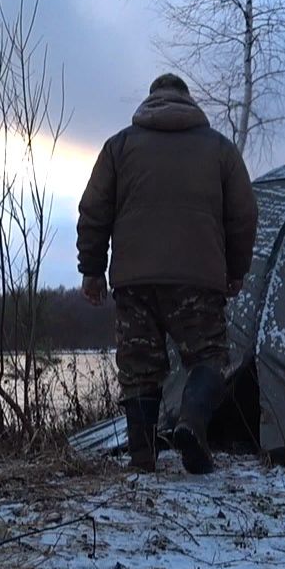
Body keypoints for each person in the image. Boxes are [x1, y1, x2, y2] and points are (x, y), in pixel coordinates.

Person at [77, 73, 257, 474]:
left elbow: (93, 210)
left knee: (139, 367)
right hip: (199, 278)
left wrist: (92, 271)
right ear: (189, 101)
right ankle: (191, 423)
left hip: (134, 280)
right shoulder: (220, 150)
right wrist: (236, 270)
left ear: (150, 101)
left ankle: (143, 462)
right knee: (209, 358)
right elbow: (244, 215)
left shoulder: (119, 146)